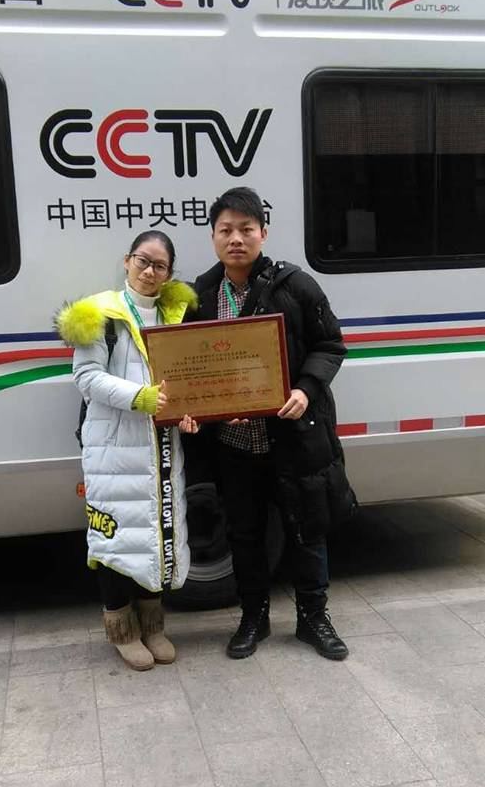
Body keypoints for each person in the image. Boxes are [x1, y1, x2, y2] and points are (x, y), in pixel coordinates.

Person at [186, 187, 353, 661]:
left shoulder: (296, 286)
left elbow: (330, 344)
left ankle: (313, 619)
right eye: (225, 230)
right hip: (234, 442)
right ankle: (253, 618)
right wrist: (196, 406)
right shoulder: (199, 296)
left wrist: (305, 389)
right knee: (244, 534)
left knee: (306, 528)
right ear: (213, 237)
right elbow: (190, 366)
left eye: (246, 229)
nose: (236, 238)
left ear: (263, 232)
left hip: (292, 436)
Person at [56, 231, 198, 671]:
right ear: (127, 261)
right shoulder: (101, 314)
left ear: (169, 274)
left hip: (162, 446)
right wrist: (140, 397)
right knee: (116, 534)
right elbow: (87, 377)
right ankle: (123, 629)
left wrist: (190, 412)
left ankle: (152, 624)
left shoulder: (177, 314)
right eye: (143, 260)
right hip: (114, 447)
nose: (150, 271)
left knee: (157, 531)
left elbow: (188, 379)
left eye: (160, 265)